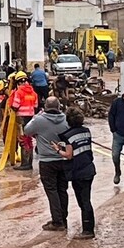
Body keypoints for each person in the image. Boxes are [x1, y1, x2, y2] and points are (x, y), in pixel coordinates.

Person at [24, 97, 71, 231]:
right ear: (59, 107)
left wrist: (36, 116)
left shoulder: (39, 120)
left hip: (46, 161)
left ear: (45, 107)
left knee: (52, 191)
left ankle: (57, 221)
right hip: (63, 160)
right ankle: (63, 218)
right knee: (62, 190)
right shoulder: (66, 119)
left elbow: (27, 131)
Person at [54, 107, 96, 239]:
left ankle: (88, 231)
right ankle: (89, 226)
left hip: (78, 172)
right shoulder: (86, 131)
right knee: (87, 200)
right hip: (89, 168)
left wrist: (57, 150)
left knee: (83, 202)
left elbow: (68, 155)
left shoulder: (67, 136)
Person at [10, 71, 40, 171]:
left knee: (23, 141)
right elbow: (36, 106)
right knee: (29, 140)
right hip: (31, 118)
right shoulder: (33, 92)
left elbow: (15, 106)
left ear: (18, 83)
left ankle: (25, 164)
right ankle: (29, 163)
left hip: (21, 118)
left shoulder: (18, 92)